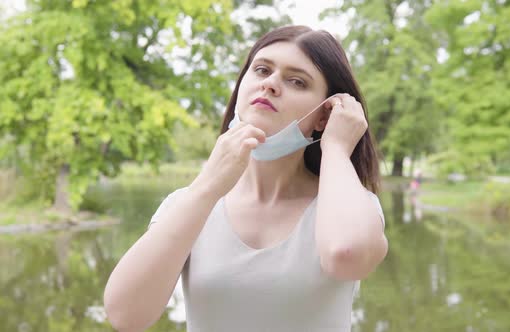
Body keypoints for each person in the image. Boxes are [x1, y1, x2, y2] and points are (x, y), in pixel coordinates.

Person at [103, 25, 388, 332]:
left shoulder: (349, 206)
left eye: (297, 81)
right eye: (262, 70)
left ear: (324, 116)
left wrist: (336, 147)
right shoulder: (189, 203)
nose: (270, 84)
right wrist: (209, 185)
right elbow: (125, 316)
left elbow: (348, 256)